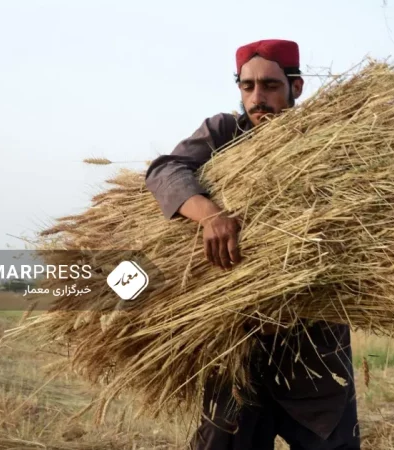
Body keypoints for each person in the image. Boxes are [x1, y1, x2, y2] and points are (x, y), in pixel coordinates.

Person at [145, 39, 360, 450]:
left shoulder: (329, 139)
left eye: (270, 85)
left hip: (313, 341)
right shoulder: (224, 132)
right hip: (236, 338)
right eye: (247, 86)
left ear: (296, 87)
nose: (257, 98)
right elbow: (165, 170)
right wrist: (210, 215)